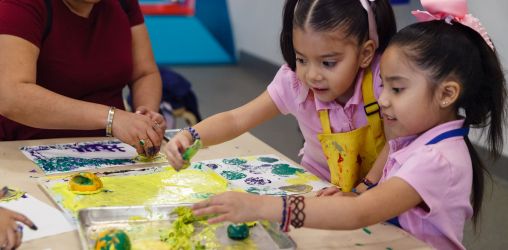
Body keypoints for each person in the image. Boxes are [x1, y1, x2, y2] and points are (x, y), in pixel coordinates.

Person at [191, 1, 507, 248]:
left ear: (446, 94)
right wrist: (361, 190)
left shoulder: (435, 158)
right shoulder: (415, 139)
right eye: (386, 86)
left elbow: (361, 212)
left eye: (397, 89)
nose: (383, 100)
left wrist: (262, 207)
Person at [164, 0, 397, 192]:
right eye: (302, 59)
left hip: (383, 193)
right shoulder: (294, 83)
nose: (312, 75)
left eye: (328, 62)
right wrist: (190, 135)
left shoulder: (384, 78)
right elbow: (237, 119)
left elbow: (400, 139)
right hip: (321, 189)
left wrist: (365, 188)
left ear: (365, 54)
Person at [0, 0, 166, 157]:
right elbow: (12, 95)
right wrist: (111, 118)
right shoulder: (21, 5)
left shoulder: (123, 4)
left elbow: (144, 73)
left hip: (112, 150)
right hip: (26, 150)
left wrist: (145, 117)